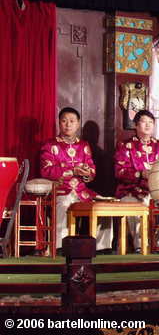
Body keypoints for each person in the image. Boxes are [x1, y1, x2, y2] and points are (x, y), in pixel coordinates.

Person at [40, 107, 112, 252]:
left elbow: (92, 172)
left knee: (104, 206)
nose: (68, 124)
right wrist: (72, 170)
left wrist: (86, 173)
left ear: (78, 124)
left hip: (81, 191)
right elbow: (46, 171)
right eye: (64, 121)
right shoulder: (50, 145)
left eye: (72, 121)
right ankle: (60, 246)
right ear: (59, 123)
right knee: (64, 204)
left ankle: (102, 247)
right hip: (61, 190)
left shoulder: (84, 145)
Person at [114, 109, 159, 252]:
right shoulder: (125, 146)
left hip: (156, 192)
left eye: (151, 122)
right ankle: (140, 246)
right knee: (135, 204)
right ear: (135, 125)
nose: (147, 125)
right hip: (131, 191)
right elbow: (119, 172)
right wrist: (140, 174)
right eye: (143, 122)